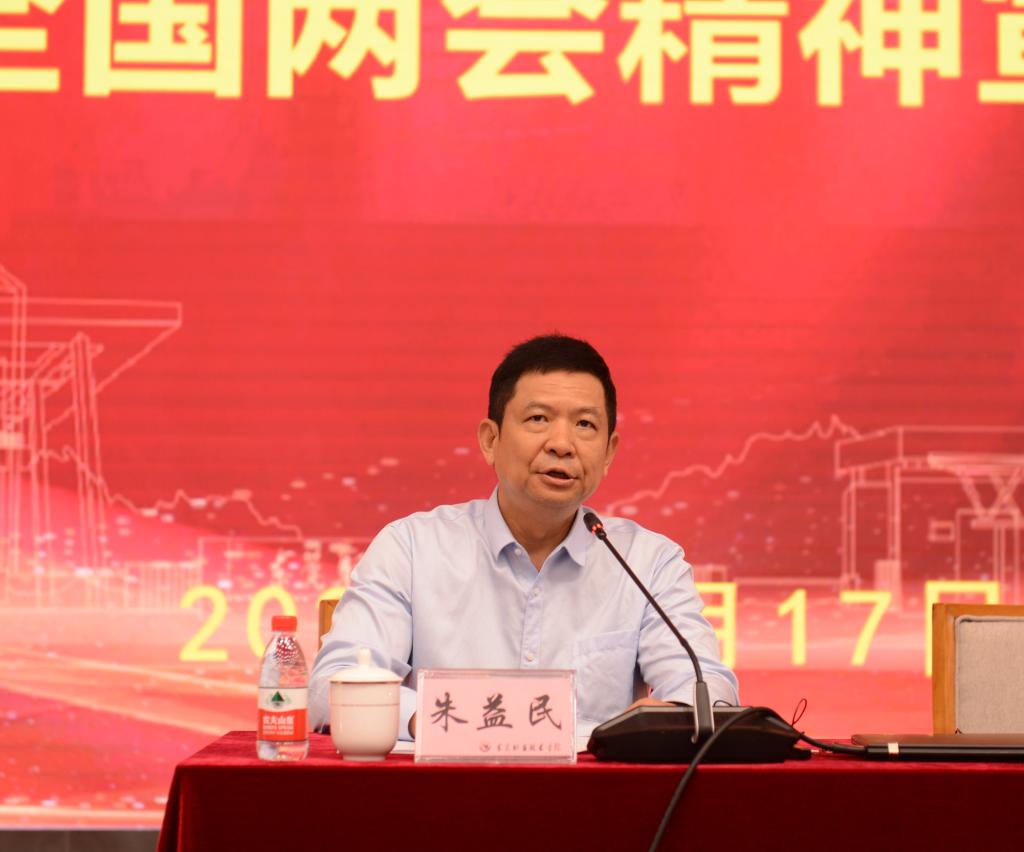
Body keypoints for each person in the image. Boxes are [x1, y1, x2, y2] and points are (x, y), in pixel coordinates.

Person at [309, 334, 738, 739]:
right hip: (446, 788)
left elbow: (709, 692)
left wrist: (667, 719)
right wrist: (449, 722)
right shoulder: (412, 548)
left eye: (585, 424)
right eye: (538, 419)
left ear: (608, 453)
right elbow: (331, 689)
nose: (562, 444)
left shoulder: (648, 562)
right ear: (490, 440)